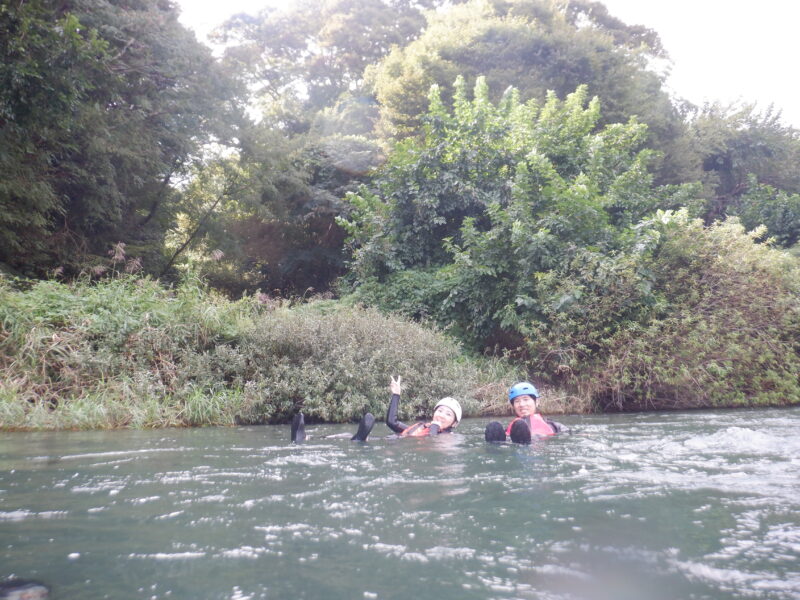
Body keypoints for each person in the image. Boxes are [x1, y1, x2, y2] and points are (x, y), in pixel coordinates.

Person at [484, 381, 564, 444]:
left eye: (526, 399)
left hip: (538, 446)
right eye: (517, 401)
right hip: (514, 447)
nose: (521, 404)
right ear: (513, 405)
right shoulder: (510, 430)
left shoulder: (555, 426)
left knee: (520, 426)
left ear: (537, 402)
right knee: (494, 427)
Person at [385, 376, 461, 436]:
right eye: (440, 411)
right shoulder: (422, 428)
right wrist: (396, 394)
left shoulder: (449, 438)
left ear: (454, 423)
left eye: (448, 414)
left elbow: (432, 443)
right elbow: (391, 422)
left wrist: (435, 426)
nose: (441, 415)